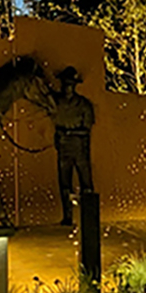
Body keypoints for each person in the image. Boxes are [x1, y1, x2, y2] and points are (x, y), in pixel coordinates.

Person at [49, 66, 95, 225]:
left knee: (86, 184)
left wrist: (68, 133)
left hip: (80, 150)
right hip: (63, 149)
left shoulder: (84, 105)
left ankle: (89, 217)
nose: (67, 87)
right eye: (65, 83)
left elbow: (87, 130)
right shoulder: (56, 103)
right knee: (64, 184)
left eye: (70, 84)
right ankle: (67, 216)